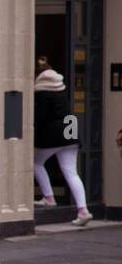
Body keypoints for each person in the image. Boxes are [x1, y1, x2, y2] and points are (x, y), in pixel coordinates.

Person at [33, 57, 91, 226]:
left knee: (36, 162)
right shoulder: (61, 89)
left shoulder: (41, 92)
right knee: (71, 172)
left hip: (54, 135)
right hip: (70, 132)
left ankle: (49, 198)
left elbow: (40, 117)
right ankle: (83, 210)